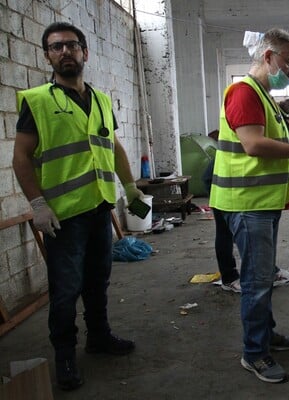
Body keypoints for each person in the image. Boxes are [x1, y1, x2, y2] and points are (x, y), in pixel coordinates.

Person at [12, 22, 143, 391]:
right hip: (63, 216)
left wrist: (129, 186)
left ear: (85, 52)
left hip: (99, 208)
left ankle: (99, 337)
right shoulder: (37, 101)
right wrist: (37, 203)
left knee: (97, 280)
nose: (65, 52)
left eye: (72, 45)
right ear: (48, 56)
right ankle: (65, 356)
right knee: (66, 289)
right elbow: (21, 157)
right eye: (56, 47)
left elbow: (112, 145)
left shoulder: (100, 99)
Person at [209, 28, 289, 383]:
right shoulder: (245, 93)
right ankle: (255, 353)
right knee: (257, 281)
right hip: (247, 204)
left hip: (263, 203)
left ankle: (264, 334)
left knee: (262, 278)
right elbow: (253, 145)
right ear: (268, 56)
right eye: (288, 62)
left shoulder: (266, 97)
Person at [203, 96, 289, 293]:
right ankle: (229, 277)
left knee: (265, 237)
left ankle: (270, 271)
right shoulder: (276, 120)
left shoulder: (279, 121)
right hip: (222, 179)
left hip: (238, 182)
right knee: (225, 231)